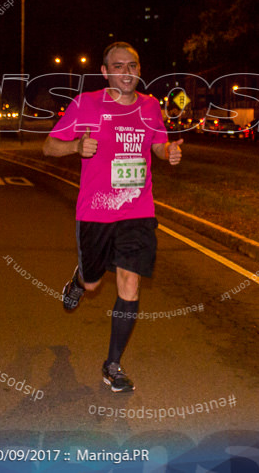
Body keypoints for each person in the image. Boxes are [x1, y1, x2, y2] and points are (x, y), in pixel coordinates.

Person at [43, 42, 183, 392]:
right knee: (93, 285)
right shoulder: (86, 104)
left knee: (130, 284)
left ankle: (113, 364)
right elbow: (48, 145)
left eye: (132, 65)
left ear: (139, 68)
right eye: (118, 66)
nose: (126, 72)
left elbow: (158, 146)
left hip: (137, 210)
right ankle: (79, 281)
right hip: (96, 210)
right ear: (105, 72)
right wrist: (75, 147)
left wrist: (170, 152)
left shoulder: (151, 107)